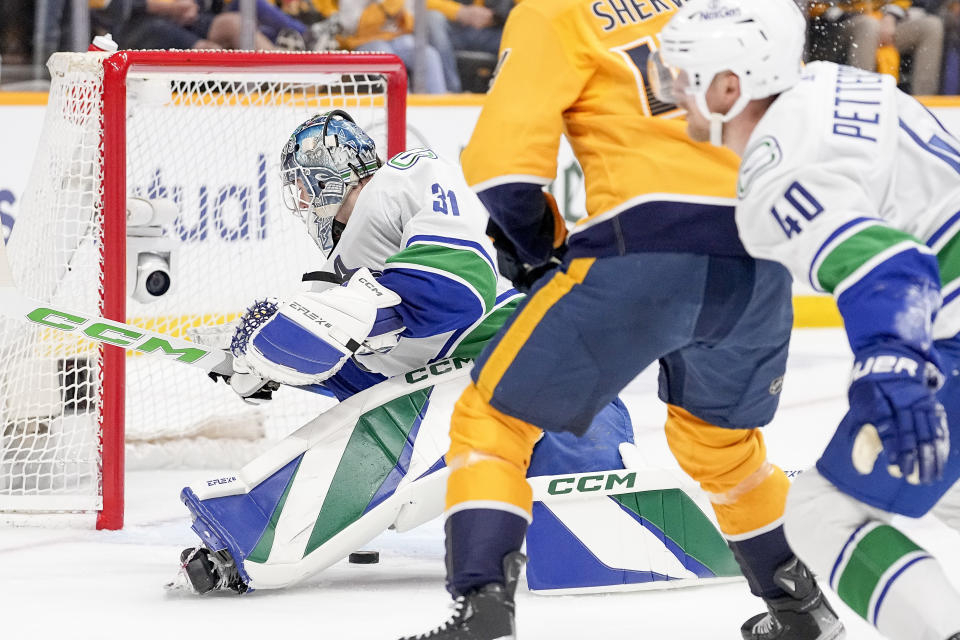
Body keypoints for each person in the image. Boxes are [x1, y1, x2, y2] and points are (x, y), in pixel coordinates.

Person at [401, 1, 843, 639]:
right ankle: (802, 612)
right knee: (719, 447)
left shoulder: (557, 12)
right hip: (761, 263)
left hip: (644, 248)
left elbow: (504, 168)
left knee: (494, 416)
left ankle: (483, 609)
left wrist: (539, 245)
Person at [175, 111, 738, 596]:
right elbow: (379, 375)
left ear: (325, 179)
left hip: (524, 359)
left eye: (303, 187)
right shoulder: (344, 273)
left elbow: (457, 289)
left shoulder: (406, 179)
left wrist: (349, 317)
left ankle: (249, 533)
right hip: (501, 386)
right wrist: (274, 368)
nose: (302, 204)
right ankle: (742, 510)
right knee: (564, 528)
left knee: (594, 525)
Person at [654, 1, 960, 638]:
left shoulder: (774, 169)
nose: (674, 92)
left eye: (686, 76)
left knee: (822, 515)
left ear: (731, 85)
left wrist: (892, 358)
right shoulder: (836, 83)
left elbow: (888, 264)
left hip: (947, 320)